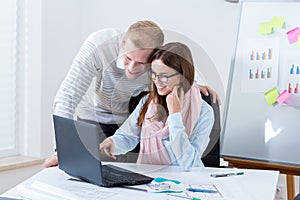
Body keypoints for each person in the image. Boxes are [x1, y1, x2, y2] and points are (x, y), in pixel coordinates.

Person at [44, 20, 219, 168]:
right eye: (128, 59)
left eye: (141, 64)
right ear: (123, 43)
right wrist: (63, 150)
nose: (131, 68)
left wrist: (190, 89)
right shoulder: (148, 103)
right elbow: (67, 96)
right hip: (95, 120)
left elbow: (172, 67)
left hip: (133, 125)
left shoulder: (202, 111)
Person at [100, 42, 214, 171]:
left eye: (164, 76)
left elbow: (190, 163)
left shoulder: (204, 112)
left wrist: (175, 115)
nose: (157, 81)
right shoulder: (148, 102)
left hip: (182, 181)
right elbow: (128, 136)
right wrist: (111, 143)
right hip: (148, 176)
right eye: (153, 74)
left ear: (182, 76)